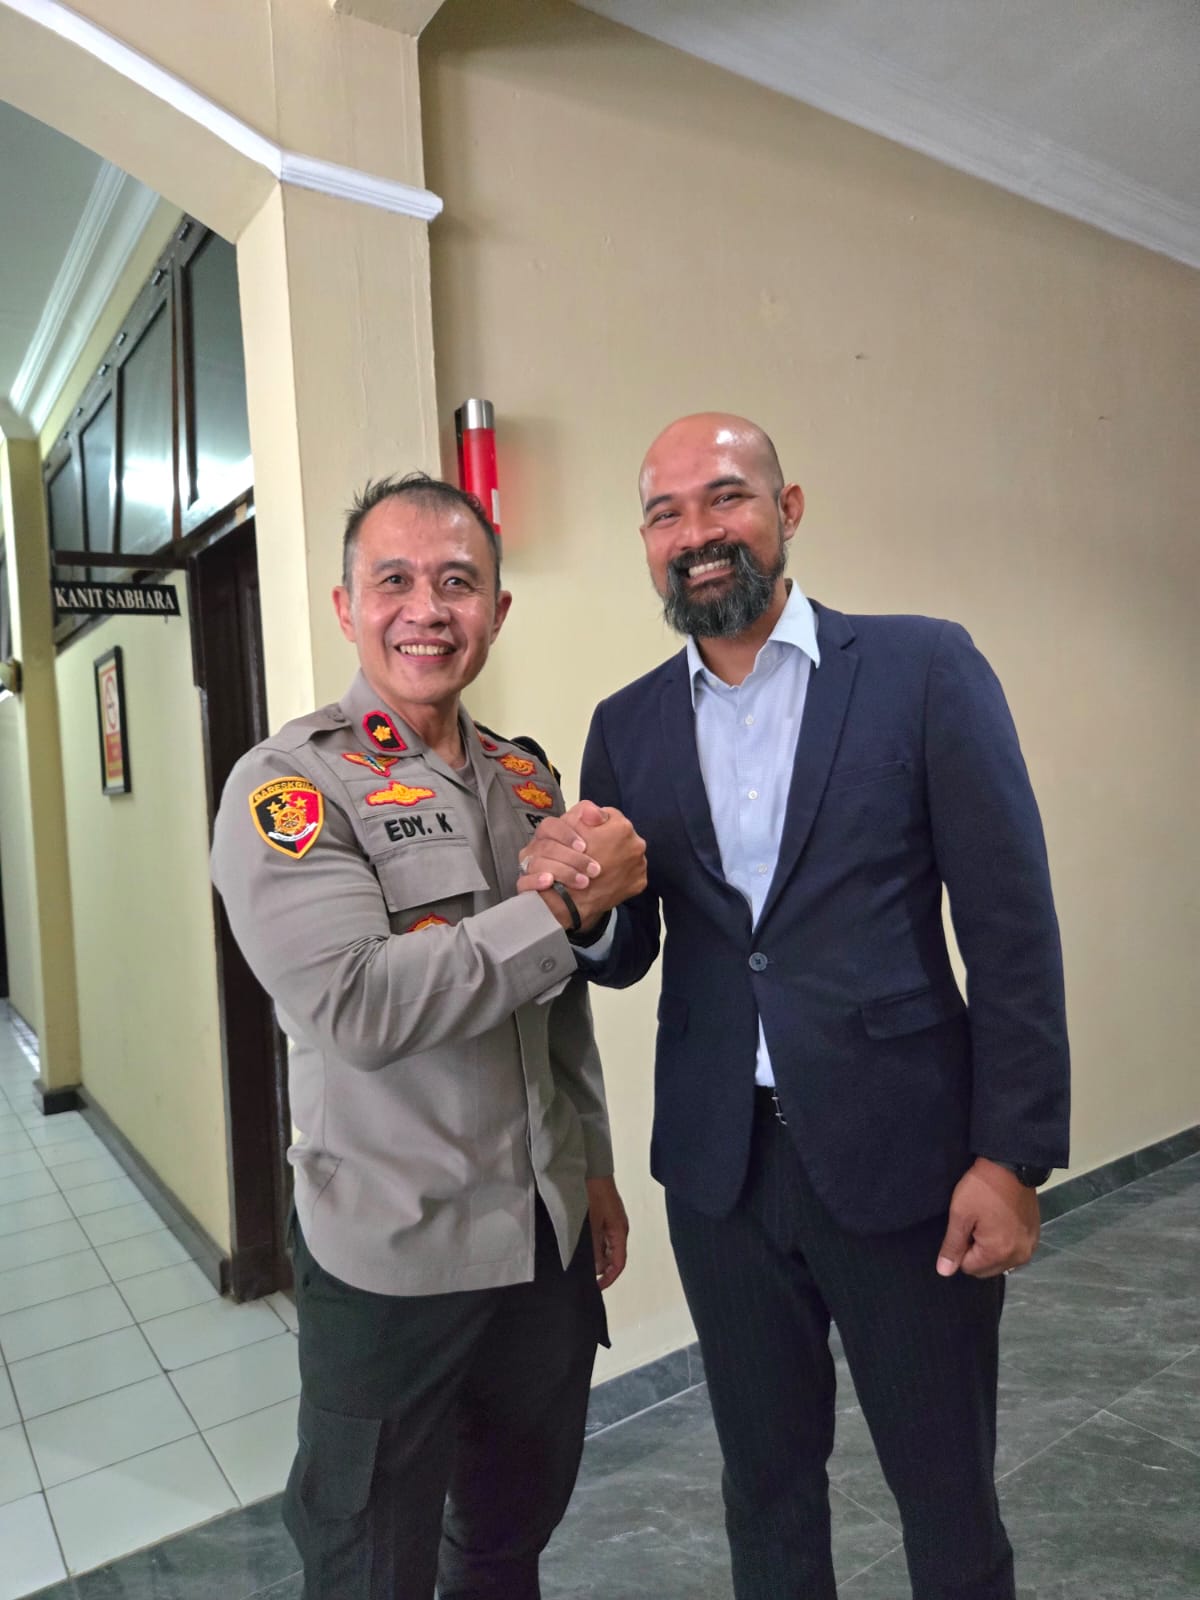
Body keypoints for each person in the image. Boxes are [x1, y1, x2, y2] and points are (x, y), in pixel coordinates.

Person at [517, 415, 1070, 1600]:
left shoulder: (923, 669)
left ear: (788, 508)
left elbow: (1012, 929)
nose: (696, 533)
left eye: (726, 497)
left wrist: (1012, 1154)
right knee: (765, 1491)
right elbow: (631, 947)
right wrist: (585, 911)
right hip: (723, 1176)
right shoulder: (626, 724)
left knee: (947, 1494)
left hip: (908, 1162)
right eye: (664, 513)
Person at [210, 472, 647, 1600]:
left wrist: (591, 1162)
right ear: (346, 607)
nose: (427, 609)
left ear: (497, 609)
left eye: (458, 582)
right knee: (372, 1566)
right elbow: (357, 1005)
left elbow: (557, 1005)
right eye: (393, 580)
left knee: (506, 1543)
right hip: (395, 1259)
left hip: (541, 1246)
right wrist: (562, 908)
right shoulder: (291, 785)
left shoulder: (525, 777)